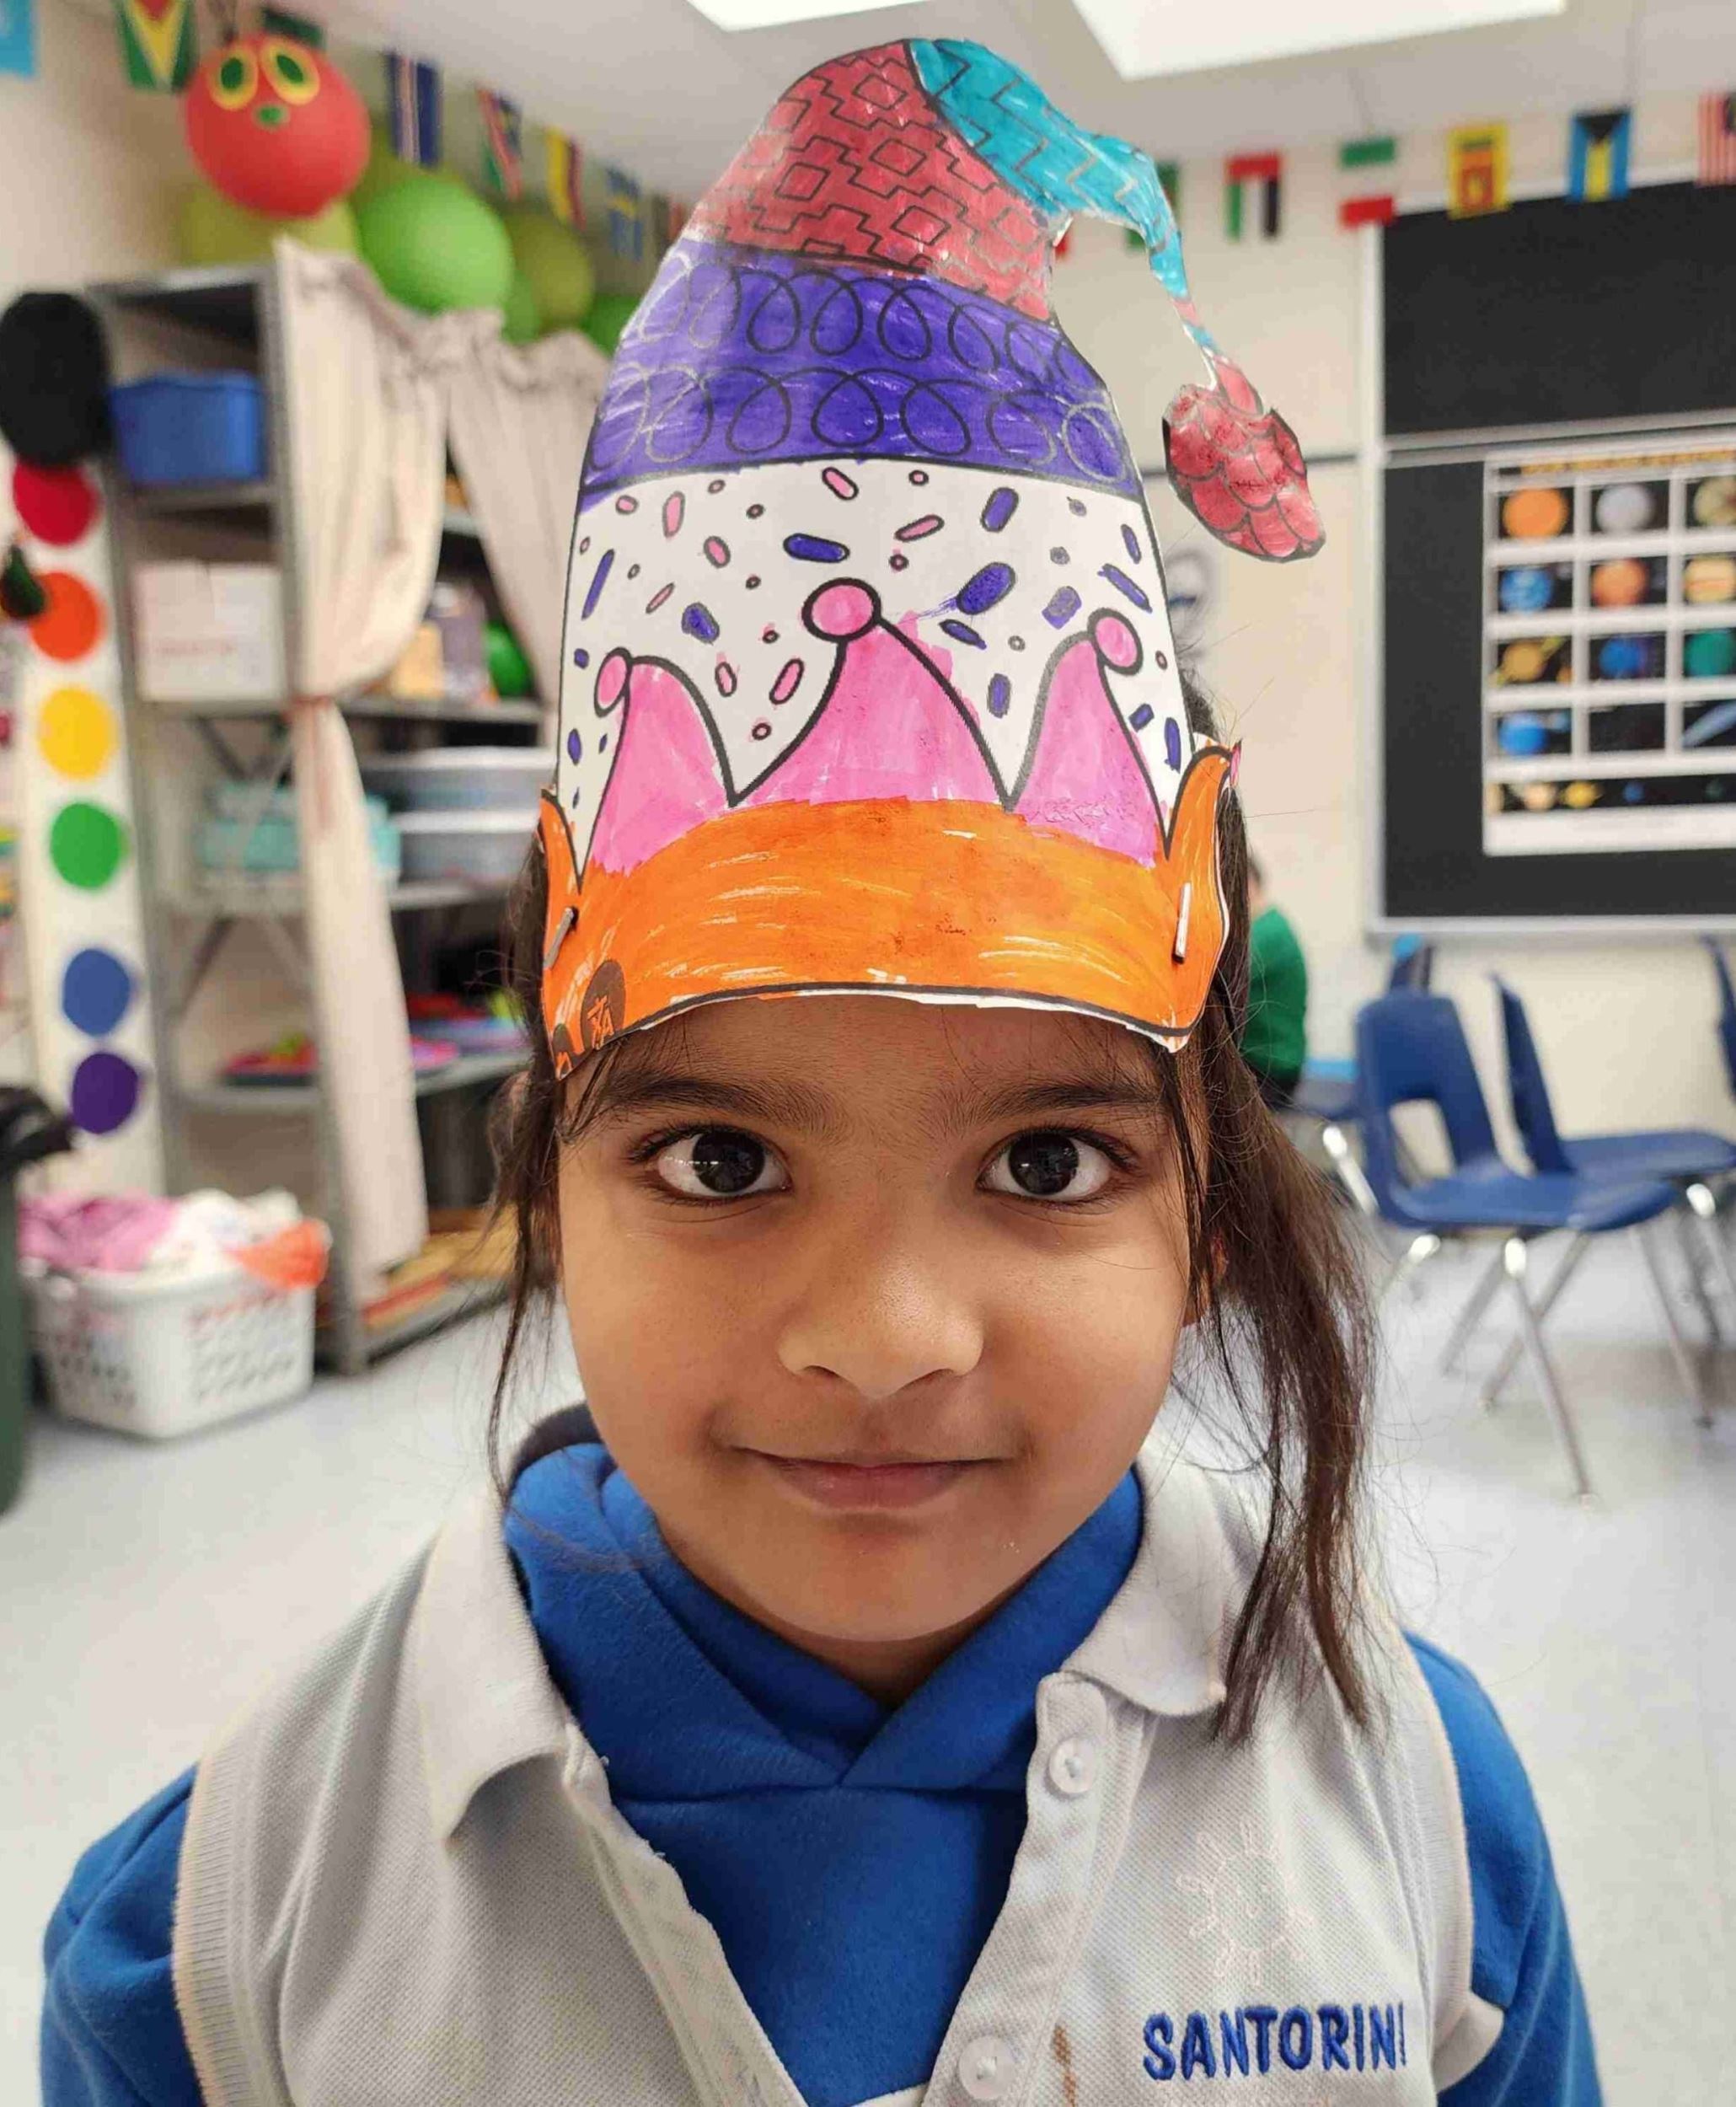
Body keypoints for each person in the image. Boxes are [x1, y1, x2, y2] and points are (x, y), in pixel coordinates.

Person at [42, 37, 1598, 2107]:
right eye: (718, 1157)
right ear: (546, 1178)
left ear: (1209, 1218)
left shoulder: (1420, 1821)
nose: (880, 1335)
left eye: (1044, 1162)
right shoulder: (229, 1938)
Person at [1242, 854, 1310, 1108]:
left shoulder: (1265, 934)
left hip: (1270, 1070)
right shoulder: (1271, 924)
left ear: (1246, 884)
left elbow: (1217, 980)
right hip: (1268, 1061)